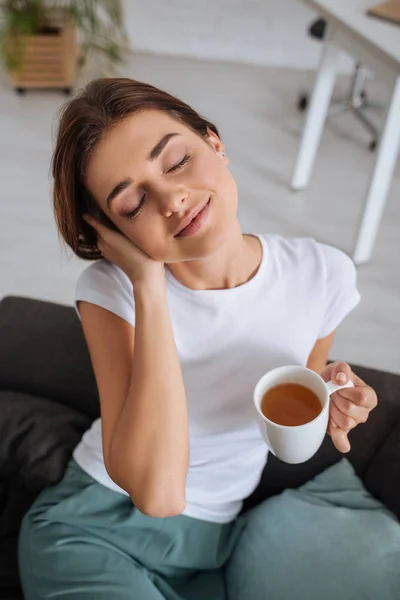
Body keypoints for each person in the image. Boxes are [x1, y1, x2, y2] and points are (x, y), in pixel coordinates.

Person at [18, 78, 377, 600]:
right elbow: (159, 495)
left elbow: (292, 407)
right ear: (113, 233)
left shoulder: (323, 274)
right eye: (133, 202)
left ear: (214, 141)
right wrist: (148, 284)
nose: (171, 198)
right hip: (93, 530)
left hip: (216, 543)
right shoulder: (111, 291)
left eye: (176, 161)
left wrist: (333, 401)